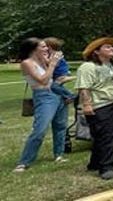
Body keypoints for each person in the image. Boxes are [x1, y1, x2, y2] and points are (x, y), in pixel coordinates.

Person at [13, 38, 68, 173]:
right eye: (43, 47)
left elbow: (54, 77)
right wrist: (53, 64)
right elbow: (43, 81)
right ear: (33, 48)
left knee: (60, 126)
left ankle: (59, 154)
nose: (46, 49)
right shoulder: (27, 63)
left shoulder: (43, 60)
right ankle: (24, 162)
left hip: (56, 93)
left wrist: (53, 62)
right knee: (40, 129)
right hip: (44, 96)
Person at [76, 37, 113, 180]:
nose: (112, 49)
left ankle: (94, 163)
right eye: (107, 47)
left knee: (109, 135)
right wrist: (86, 104)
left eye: (112, 47)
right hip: (100, 105)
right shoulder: (88, 67)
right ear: (96, 51)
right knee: (106, 136)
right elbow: (83, 86)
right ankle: (107, 167)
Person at [44, 37, 75, 103]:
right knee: (56, 87)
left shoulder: (56, 54)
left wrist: (47, 62)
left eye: (44, 46)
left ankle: (71, 95)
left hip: (60, 74)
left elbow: (56, 64)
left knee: (54, 86)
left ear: (49, 47)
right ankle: (64, 97)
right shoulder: (51, 54)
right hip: (57, 74)